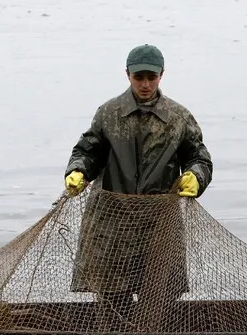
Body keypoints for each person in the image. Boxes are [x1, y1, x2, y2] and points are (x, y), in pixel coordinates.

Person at [63, 44, 213, 321]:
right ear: (128, 75)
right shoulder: (108, 113)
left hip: (159, 222)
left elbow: (198, 157)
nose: (145, 84)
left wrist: (196, 176)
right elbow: (87, 152)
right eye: (139, 77)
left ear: (161, 75)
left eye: (151, 77)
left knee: (159, 298)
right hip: (110, 223)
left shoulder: (178, 117)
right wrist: (78, 171)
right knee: (112, 302)